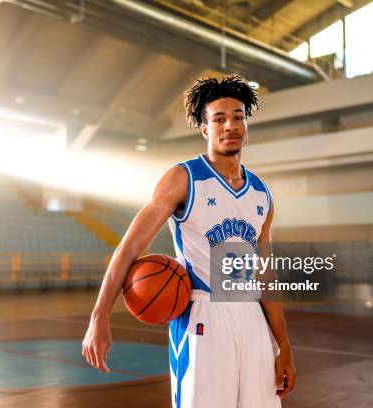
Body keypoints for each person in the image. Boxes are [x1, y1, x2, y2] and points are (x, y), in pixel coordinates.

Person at [82, 75, 295, 408]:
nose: (230, 126)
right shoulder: (183, 179)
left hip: (253, 317)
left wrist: (283, 346)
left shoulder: (261, 193)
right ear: (205, 129)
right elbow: (129, 247)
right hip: (203, 314)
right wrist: (100, 317)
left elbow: (265, 276)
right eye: (219, 119)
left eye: (238, 117)